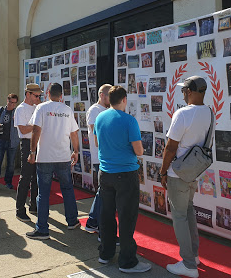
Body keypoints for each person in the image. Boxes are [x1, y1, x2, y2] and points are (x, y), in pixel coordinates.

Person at [160, 76, 214, 278]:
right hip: (193, 172)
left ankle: (189, 264)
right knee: (189, 211)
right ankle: (195, 256)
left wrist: (163, 171)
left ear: (190, 91)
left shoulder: (182, 114)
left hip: (178, 173)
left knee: (180, 217)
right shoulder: (209, 112)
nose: (183, 93)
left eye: (184, 90)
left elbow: (171, 147)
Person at [93, 86, 151, 273]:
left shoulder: (100, 117)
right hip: (125, 174)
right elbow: (139, 151)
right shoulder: (129, 121)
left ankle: (105, 253)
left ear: (109, 99)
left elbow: (96, 142)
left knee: (106, 214)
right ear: (124, 100)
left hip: (105, 173)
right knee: (126, 217)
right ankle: (127, 261)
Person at [26, 83, 80, 239]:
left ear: (48, 93)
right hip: (63, 156)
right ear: (61, 95)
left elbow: (36, 130)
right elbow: (74, 134)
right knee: (67, 189)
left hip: (45, 157)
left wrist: (32, 152)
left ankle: (42, 228)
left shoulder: (41, 108)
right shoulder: (67, 110)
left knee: (43, 193)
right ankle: (72, 221)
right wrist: (75, 151)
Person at [84, 84, 112, 233]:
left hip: (105, 157)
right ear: (102, 95)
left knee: (103, 191)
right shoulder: (95, 110)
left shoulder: (106, 110)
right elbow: (96, 132)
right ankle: (94, 222)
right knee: (103, 191)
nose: (111, 99)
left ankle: (93, 221)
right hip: (99, 157)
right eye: (109, 96)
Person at [14, 84, 42, 222]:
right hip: (26, 143)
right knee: (25, 177)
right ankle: (20, 209)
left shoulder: (38, 107)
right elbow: (23, 130)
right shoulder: (20, 109)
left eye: (39, 96)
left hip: (38, 143)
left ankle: (34, 205)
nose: (38, 98)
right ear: (28, 94)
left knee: (36, 177)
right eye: (36, 96)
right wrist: (37, 125)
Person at [0, 94, 20, 191]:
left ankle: (8, 182)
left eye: (14, 103)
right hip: (0, 140)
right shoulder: (2, 110)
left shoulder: (17, 112)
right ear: (7, 101)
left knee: (10, 164)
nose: (12, 105)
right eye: (11, 102)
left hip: (12, 141)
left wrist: (17, 120)